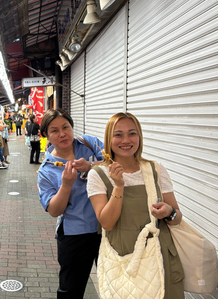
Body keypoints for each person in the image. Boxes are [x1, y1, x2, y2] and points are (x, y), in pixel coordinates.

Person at [86, 112, 184, 299]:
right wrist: (118, 185)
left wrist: (169, 212)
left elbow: (177, 218)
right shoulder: (98, 174)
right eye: (118, 134)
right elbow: (106, 223)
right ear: (109, 139)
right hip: (123, 261)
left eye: (132, 133)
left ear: (139, 136)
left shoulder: (155, 169)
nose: (126, 140)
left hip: (161, 258)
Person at [37, 109, 104, 299]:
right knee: (71, 290)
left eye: (65, 127)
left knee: (112, 283)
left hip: (108, 227)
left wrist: (91, 167)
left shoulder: (90, 144)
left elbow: (118, 164)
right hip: (75, 235)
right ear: (47, 136)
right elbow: (54, 210)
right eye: (55, 130)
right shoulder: (47, 169)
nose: (62, 134)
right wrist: (66, 185)